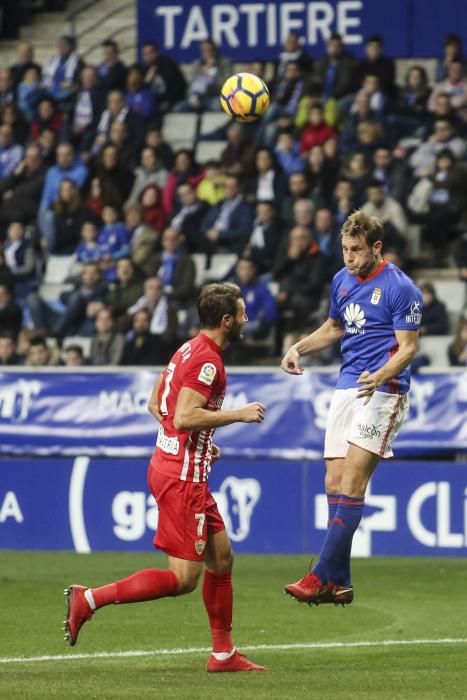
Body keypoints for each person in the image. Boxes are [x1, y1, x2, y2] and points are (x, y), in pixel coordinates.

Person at [64, 282, 267, 673]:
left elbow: (155, 403)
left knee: (222, 559)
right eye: (242, 313)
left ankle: (223, 655)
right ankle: (88, 599)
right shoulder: (209, 362)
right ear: (226, 321)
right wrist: (236, 415)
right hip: (181, 480)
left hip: (179, 467)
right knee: (183, 579)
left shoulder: (187, 348)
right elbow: (184, 416)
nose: (246, 319)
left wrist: (200, 441)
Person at [281, 210, 422, 605]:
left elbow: (408, 348)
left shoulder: (401, 288)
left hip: (385, 389)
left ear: (376, 248)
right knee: (333, 483)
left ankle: (320, 575)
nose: (349, 257)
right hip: (348, 386)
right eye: (345, 249)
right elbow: (335, 326)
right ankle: (340, 582)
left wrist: (380, 374)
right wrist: (297, 346)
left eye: (356, 250)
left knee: (353, 482)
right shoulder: (341, 280)